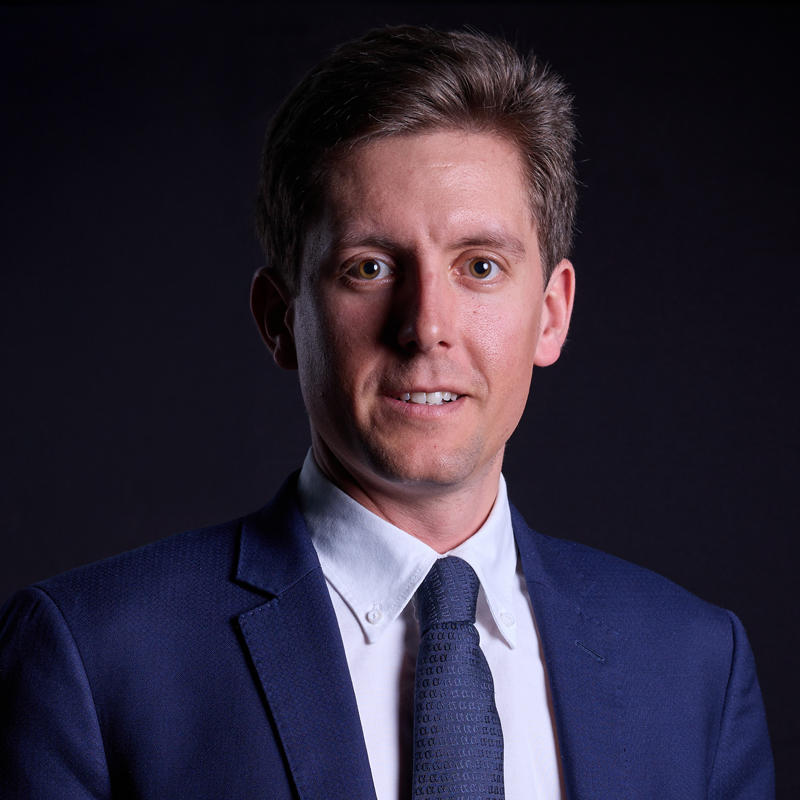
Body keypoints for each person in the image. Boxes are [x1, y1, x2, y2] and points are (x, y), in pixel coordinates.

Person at [0, 25, 774, 800]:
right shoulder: (92, 658)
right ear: (280, 318)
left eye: (480, 266)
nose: (426, 325)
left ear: (552, 313)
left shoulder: (696, 665)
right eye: (369, 267)